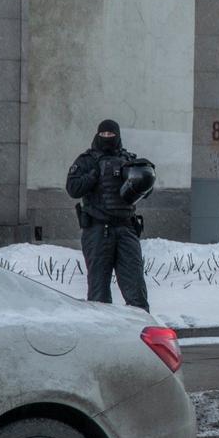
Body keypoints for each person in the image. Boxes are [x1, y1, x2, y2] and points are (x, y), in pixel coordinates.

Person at [65, 119, 153, 311]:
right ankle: (103, 334)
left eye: (110, 135)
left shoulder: (128, 159)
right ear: (97, 135)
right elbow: (72, 189)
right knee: (99, 293)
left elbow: (144, 190)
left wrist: (143, 180)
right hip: (97, 230)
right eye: (103, 134)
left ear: (118, 136)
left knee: (135, 287)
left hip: (125, 228)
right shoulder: (86, 161)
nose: (107, 138)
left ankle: (143, 334)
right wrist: (93, 176)